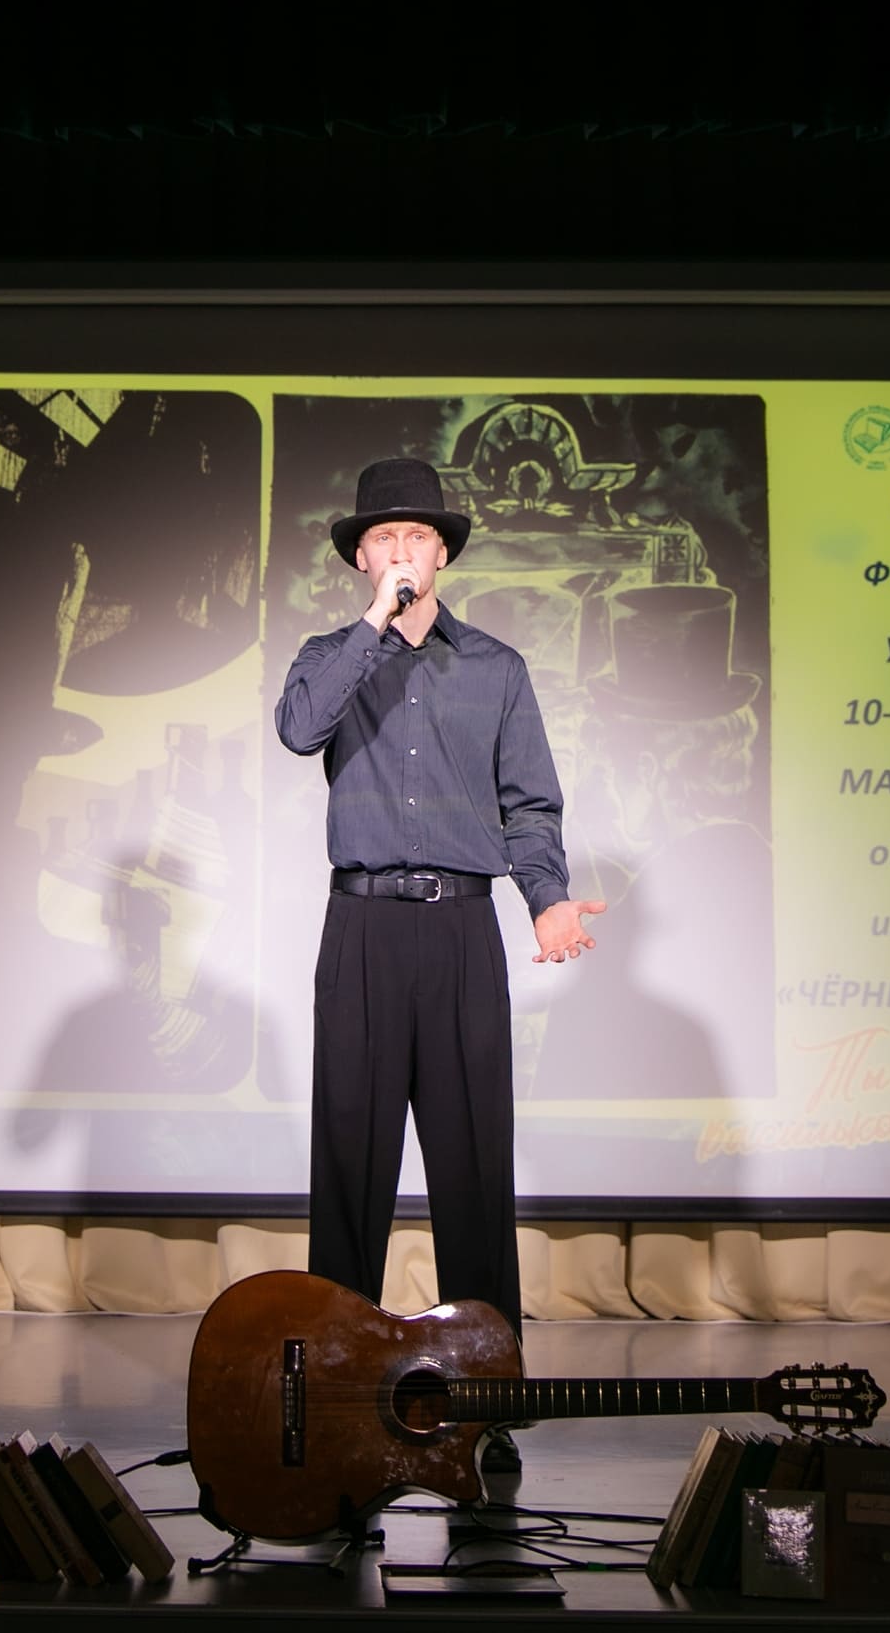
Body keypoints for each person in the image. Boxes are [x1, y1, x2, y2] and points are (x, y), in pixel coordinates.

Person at [275, 457, 607, 1468]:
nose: (400, 551)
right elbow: (299, 731)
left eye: (416, 536)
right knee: (349, 1169)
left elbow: (530, 803)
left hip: (462, 932)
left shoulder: (496, 669)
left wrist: (546, 899)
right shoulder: (328, 657)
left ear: (444, 554)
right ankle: (336, 1404)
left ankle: (486, 1399)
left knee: (474, 1172)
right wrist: (373, 627)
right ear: (360, 559)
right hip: (363, 932)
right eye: (381, 538)